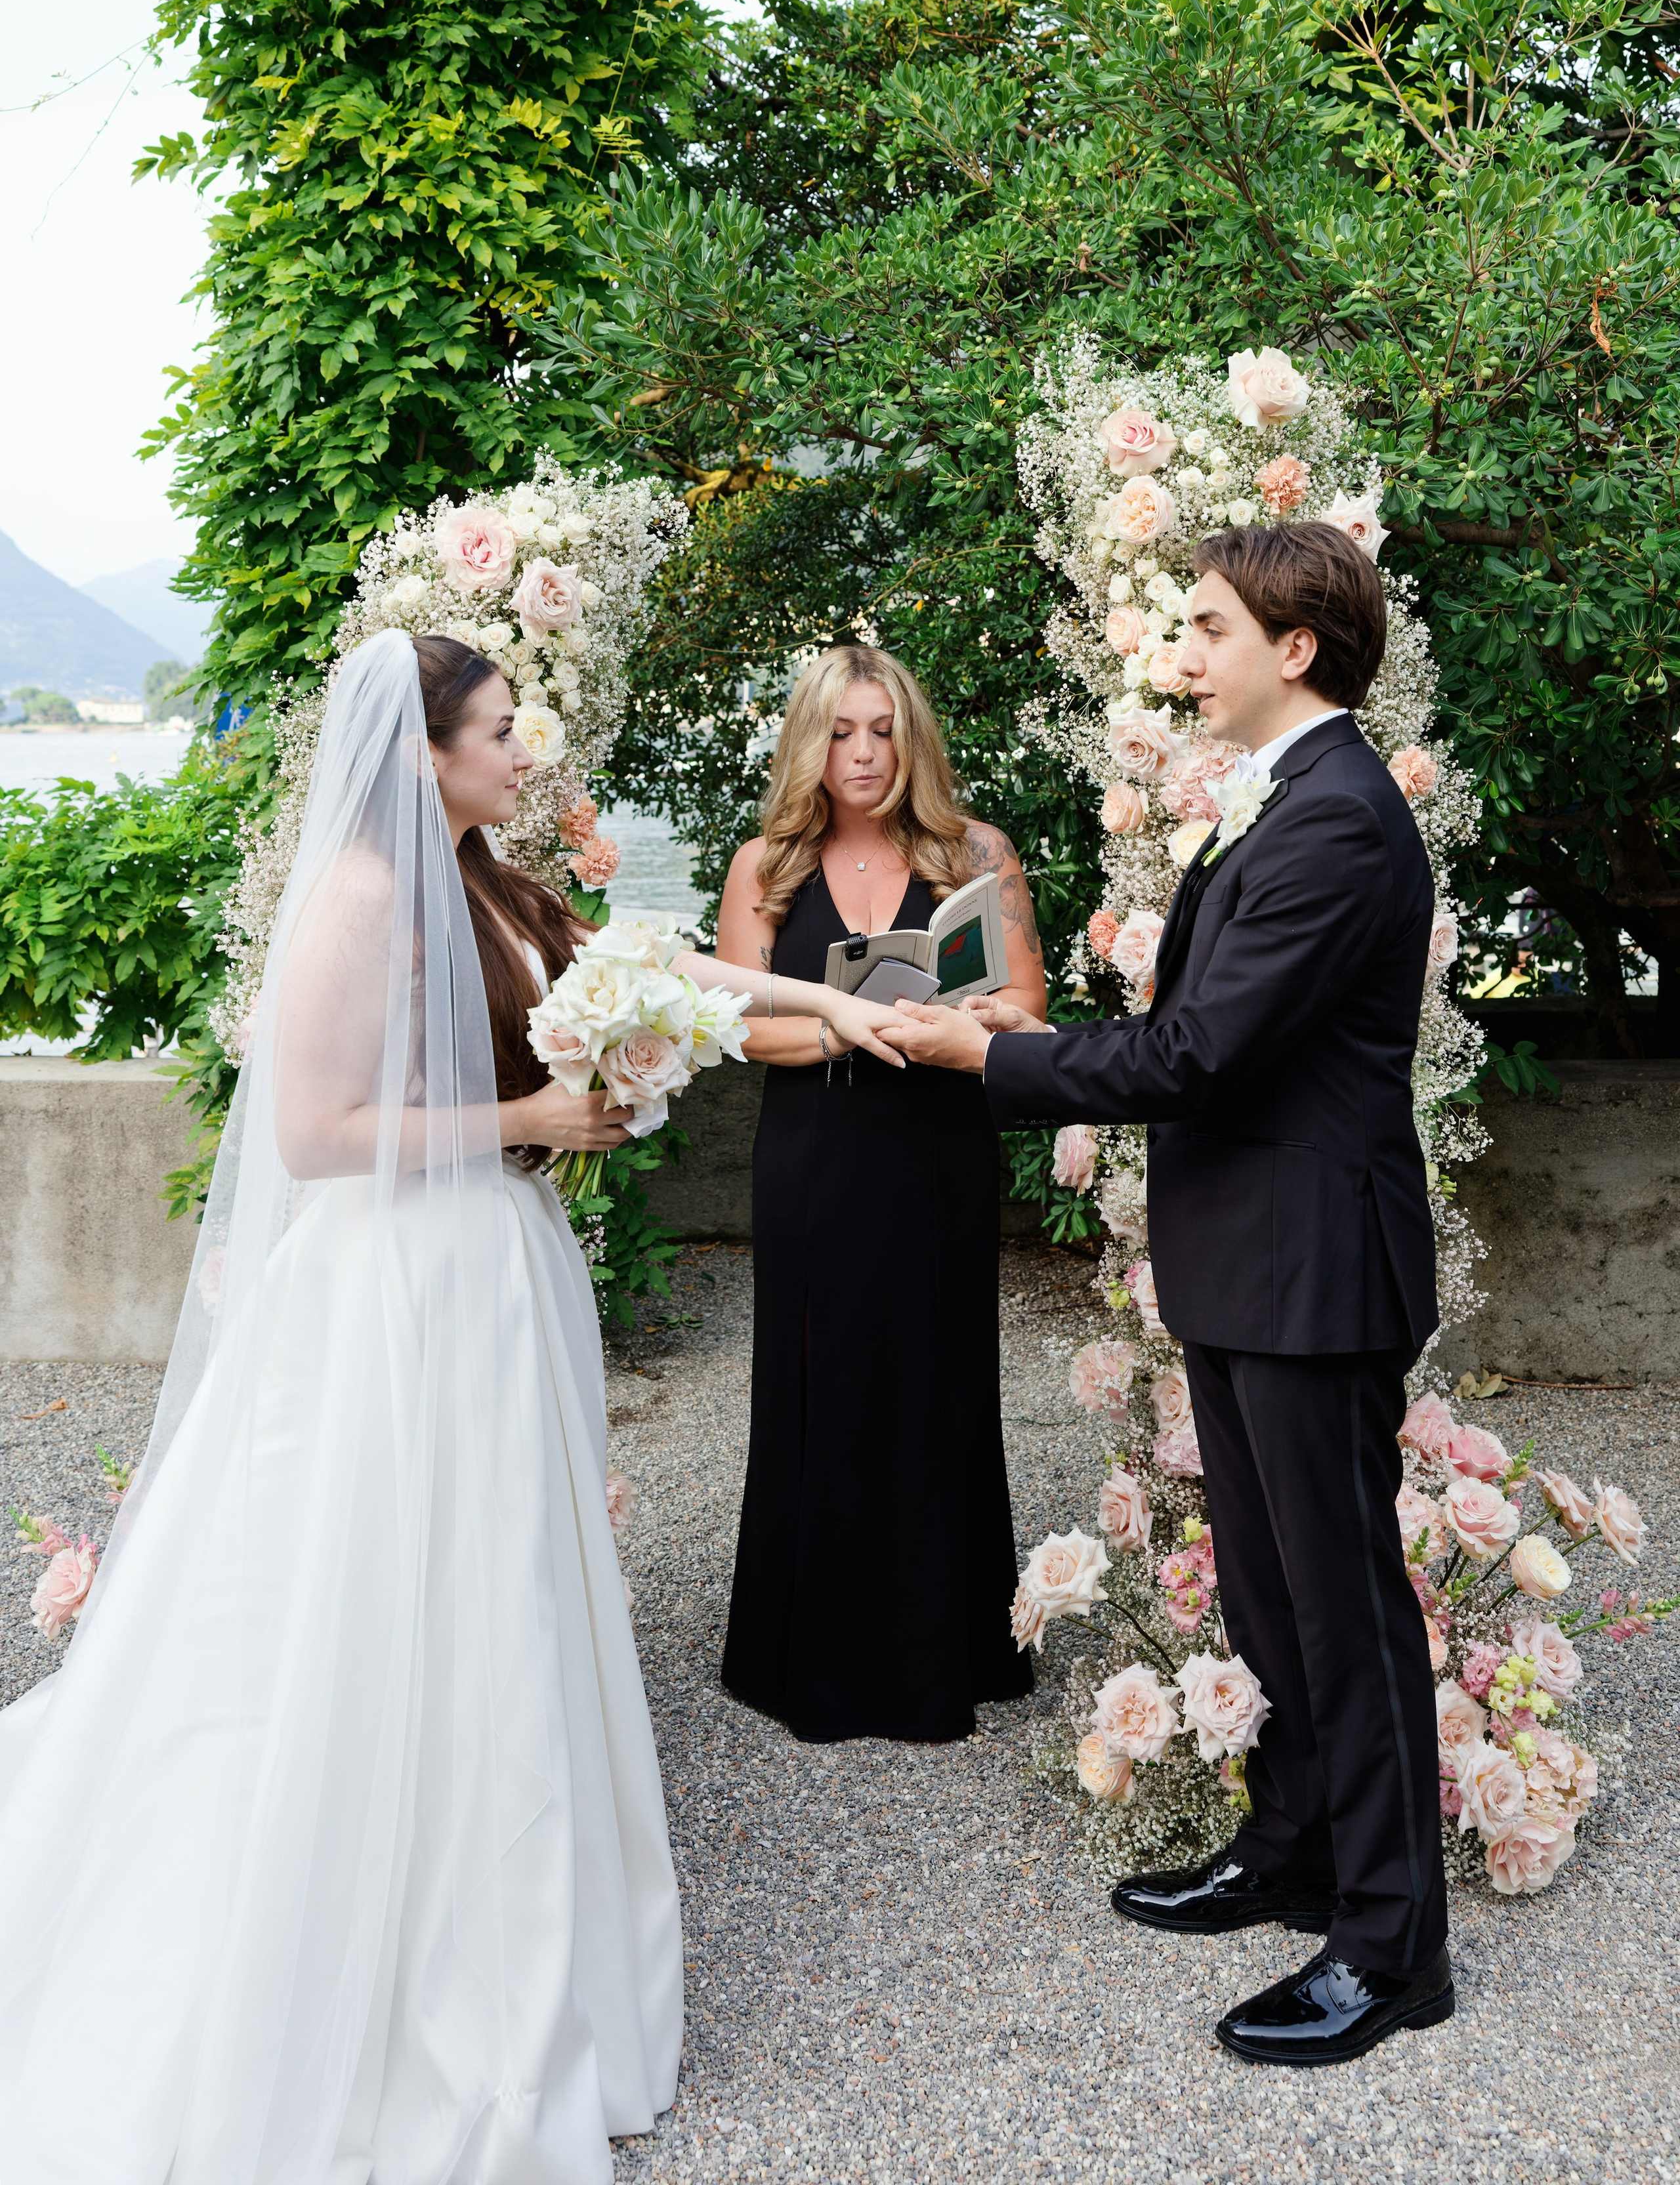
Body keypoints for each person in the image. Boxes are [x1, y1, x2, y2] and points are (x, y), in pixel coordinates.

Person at [0, 629, 900, 2183]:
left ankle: (509, 1906)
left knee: (501, 1590)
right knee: (387, 1588)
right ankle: (371, 1943)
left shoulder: (489, 872)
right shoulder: (357, 895)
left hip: (497, 1267)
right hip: (394, 1292)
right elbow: (316, 1128)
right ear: (420, 748)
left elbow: (656, 970)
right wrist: (533, 1116)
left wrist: (828, 1009)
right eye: (496, 726)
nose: (520, 745)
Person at [880, 524, 1454, 2068]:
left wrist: (979, 1057)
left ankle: (1393, 1948)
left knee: (1343, 1611)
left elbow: (1199, 1054)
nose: (1178, 656)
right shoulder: (1271, 801)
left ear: (1296, 649)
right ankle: (1292, 1854)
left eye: (1204, 630)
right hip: (1245, 1258)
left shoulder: (1333, 819)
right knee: (1269, 1592)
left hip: (1313, 1268)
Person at [713, 642, 1048, 1743]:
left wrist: (971, 1021)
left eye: (884, 731)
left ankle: (947, 1649)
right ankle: (805, 1651)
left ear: (915, 740)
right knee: (817, 1381)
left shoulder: (975, 853)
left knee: (935, 1381)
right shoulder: (767, 863)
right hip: (815, 1158)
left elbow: (1029, 1019)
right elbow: (740, 1031)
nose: (863, 755)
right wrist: (844, 1022)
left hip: (935, 1152)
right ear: (811, 742)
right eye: (842, 733)